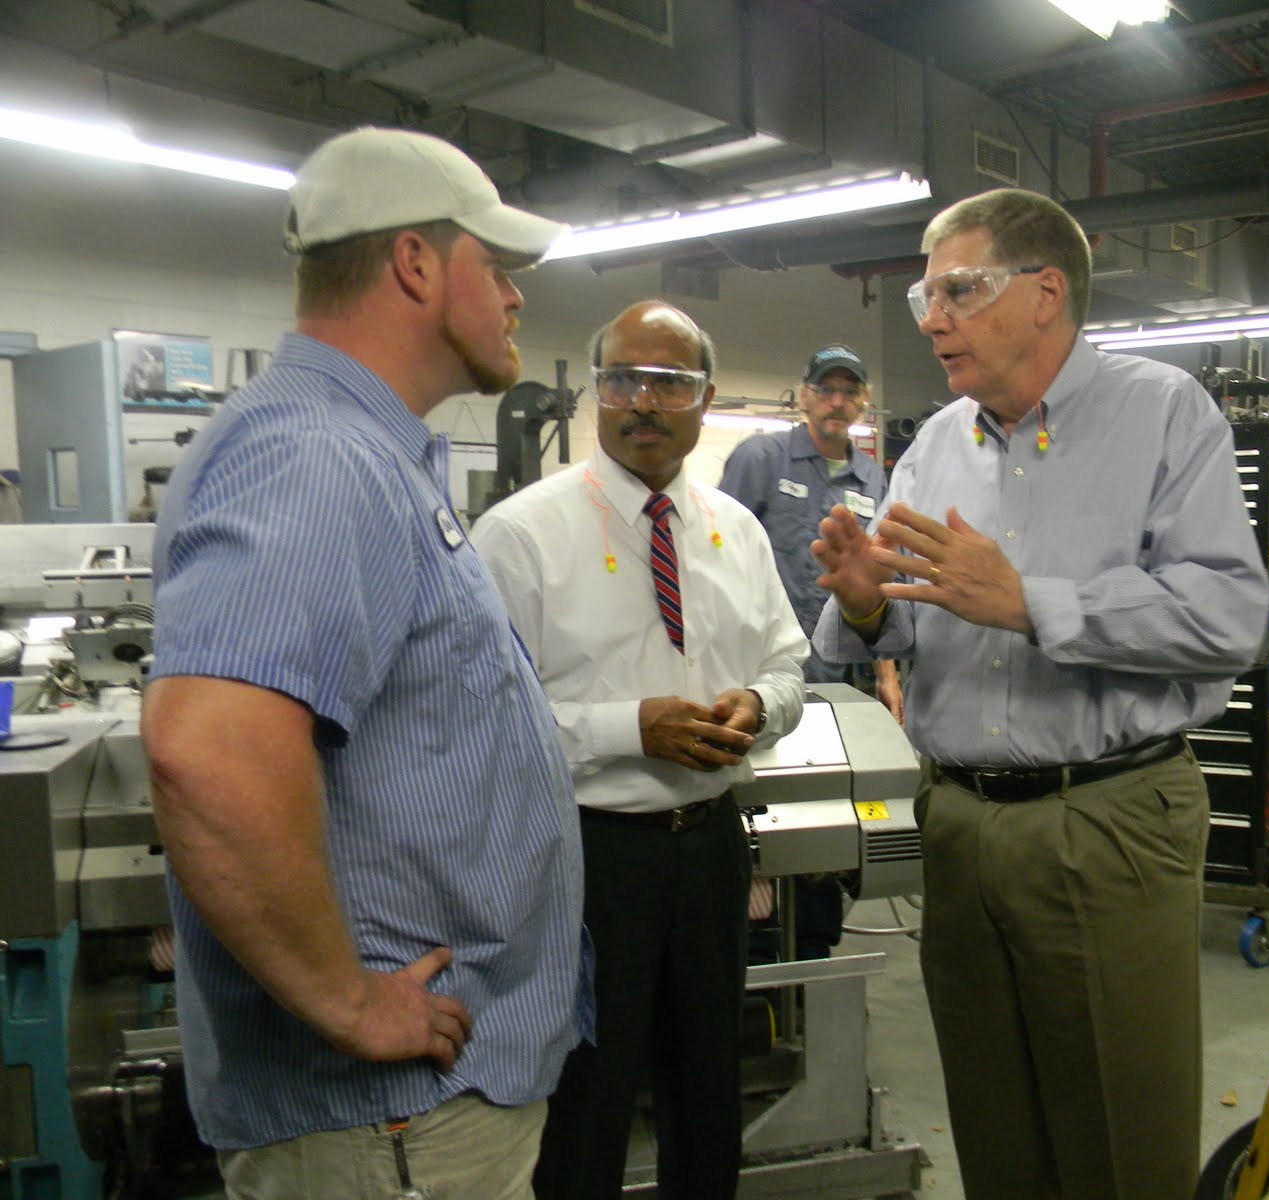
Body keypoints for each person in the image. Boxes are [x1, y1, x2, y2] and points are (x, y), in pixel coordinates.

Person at [140, 126, 588, 1200]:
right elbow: (209, 752)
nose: (519, 298)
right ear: (418, 265)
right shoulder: (316, 457)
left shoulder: (365, 454)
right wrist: (349, 1002)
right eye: (501, 267)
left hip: (414, 1119)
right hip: (388, 1129)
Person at [811, 187, 1269, 1200]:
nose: (932, 319)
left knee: (1119, 1139)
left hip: (1103, 818)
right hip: (961, 822)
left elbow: (1227, 620)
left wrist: (1033, 604)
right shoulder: (935, 447)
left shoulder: (1161, 416)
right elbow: (903, 624)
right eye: (923, 298)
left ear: (1046, 292)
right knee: (994, 1131)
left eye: (958, 290)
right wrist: (864, 607)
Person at [471, 301, 808, 1200]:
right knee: (590, 1094)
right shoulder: (520, 536)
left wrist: (759, 706)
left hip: (710, 848)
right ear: (595, 394)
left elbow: (789, 666)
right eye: (623, 379)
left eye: (670, 382)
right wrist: (631, 728)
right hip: (587, 855)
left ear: (704, 400)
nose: (644, 401)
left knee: (709, 1087)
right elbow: (482, 724)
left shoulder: (738, 529)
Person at [718, 343, 900, 961]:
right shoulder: (760, 460)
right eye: (827, 389)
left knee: (827, 815)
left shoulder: (874, 478)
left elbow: (876, 586)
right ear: (804, 395)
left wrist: (888, 675)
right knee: (760, 815)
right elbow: (716, 558)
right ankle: (754, 947)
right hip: (764, 680)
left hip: (837, 690)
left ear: (862, 403)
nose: (837, 402)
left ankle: (813, 953)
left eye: (849, 391)